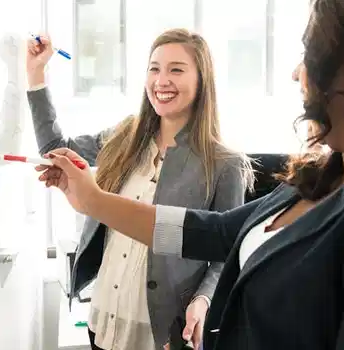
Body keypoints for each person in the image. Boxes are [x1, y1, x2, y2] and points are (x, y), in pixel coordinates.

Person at [36, 1, 344, 349]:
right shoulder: (319, 178)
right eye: (153, 69)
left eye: (308, 53)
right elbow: (217, 232)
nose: (297, 74)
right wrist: (92, 200)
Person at [25, 29, 251, 350]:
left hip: (160, 333)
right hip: (104, 318)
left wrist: (203, 300)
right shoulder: (125, 136)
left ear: (202, 81)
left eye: (176, 69)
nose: (161, 80)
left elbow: (225, 253)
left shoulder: (225, 164)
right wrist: (36, 74)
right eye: (154, 68)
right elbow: (55, 149)